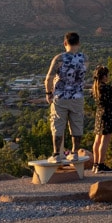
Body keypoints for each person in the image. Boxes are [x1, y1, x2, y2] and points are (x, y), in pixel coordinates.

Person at [43, 32, 87, 161]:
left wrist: (48, 93)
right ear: (78, 43)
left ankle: (57, 154)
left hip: (60, 96)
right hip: (77, 96)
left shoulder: (59, 58)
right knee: (77, 125)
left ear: (65, 43)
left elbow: (49, 78)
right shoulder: (84, 58)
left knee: (58, 125)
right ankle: (74, 153)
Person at [91, 66, 112, 173]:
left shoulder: (96, 87)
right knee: (104, 141)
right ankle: (101, 164)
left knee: (97, 141)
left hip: (100, 115)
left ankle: (95, 164)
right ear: (104, 76)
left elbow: (110, 91)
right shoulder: (105, 88)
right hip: (108, 116)